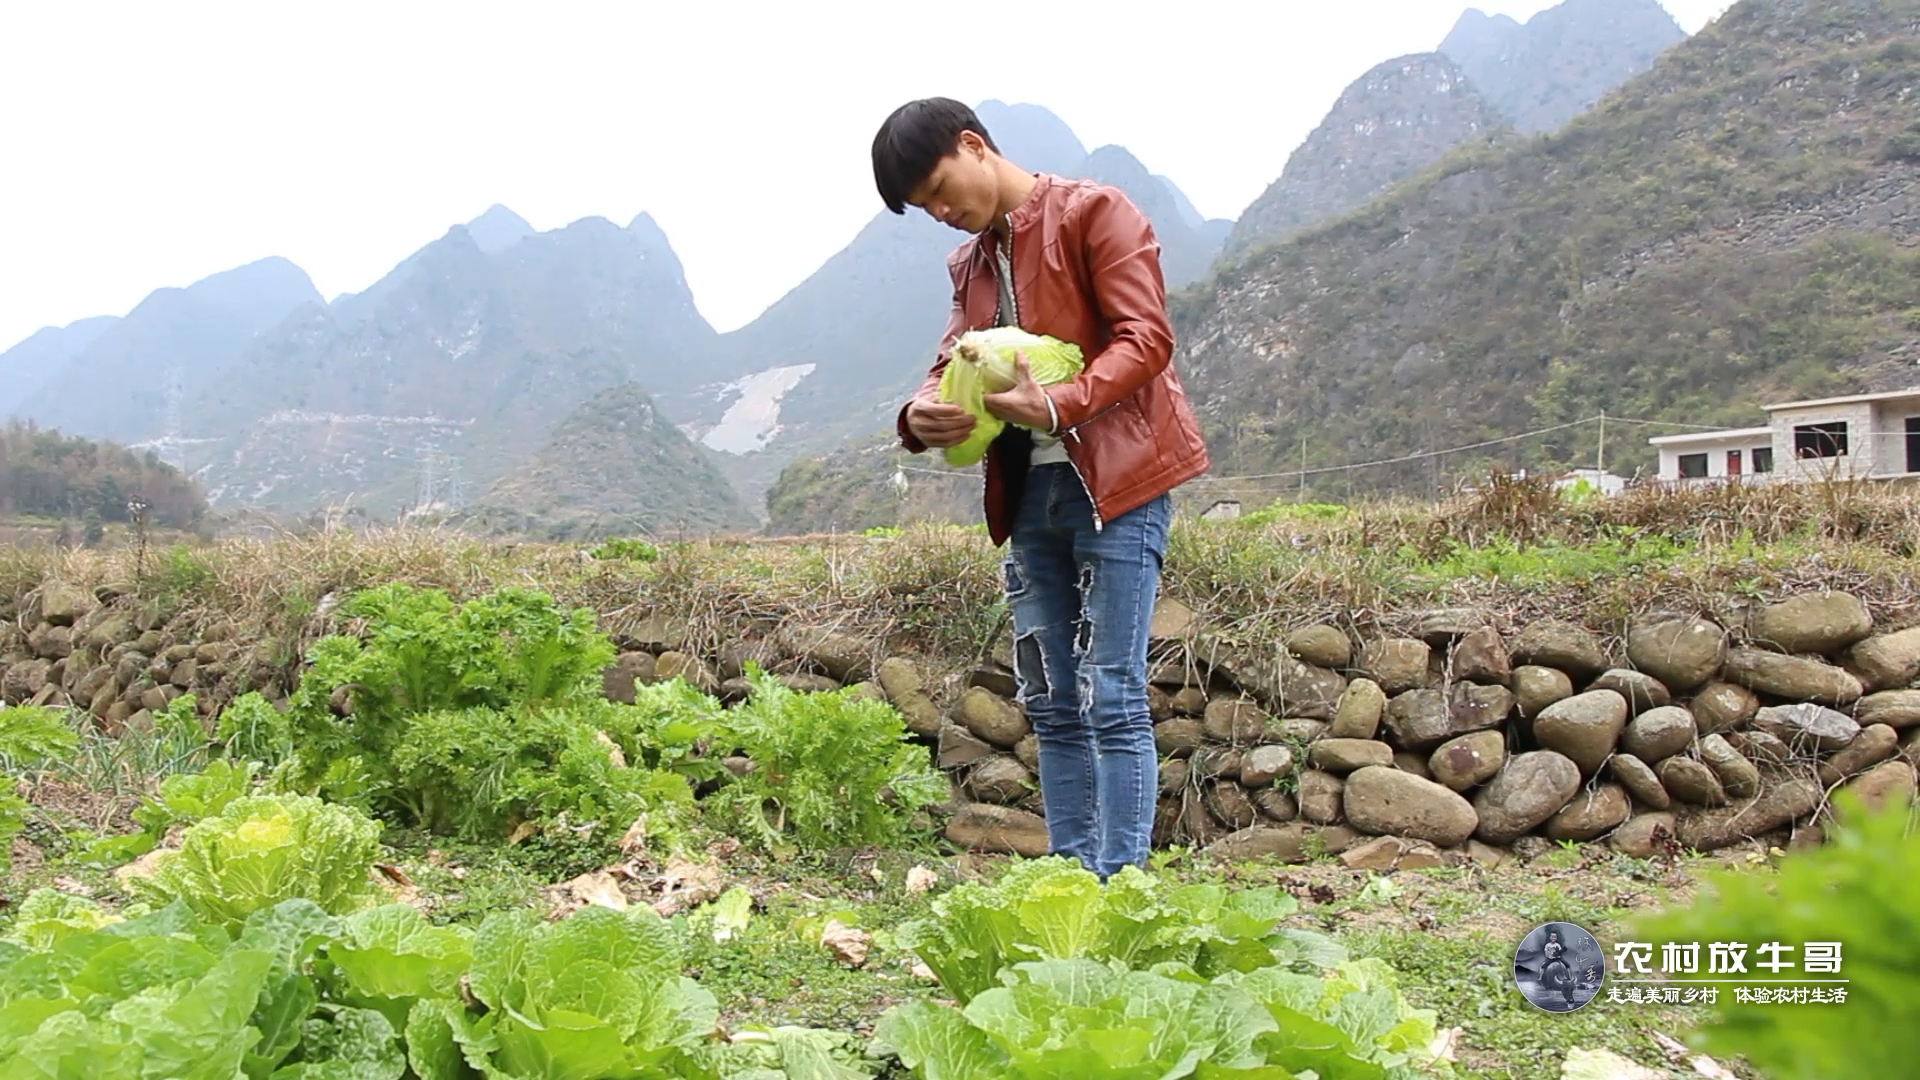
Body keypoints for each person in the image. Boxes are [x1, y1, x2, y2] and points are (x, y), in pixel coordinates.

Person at [870, 98, 1210, 879]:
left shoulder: (1096, 214)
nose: (943, 213)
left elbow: (1146, 339)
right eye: (925, 208)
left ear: (973, 145)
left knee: (1112, 690)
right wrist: (919, 417)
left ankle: (1119, 886)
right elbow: (952, 358)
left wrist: (1060, 402)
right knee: (1054, 697)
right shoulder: (971, 263)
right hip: (1030, 494)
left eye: (940, 190)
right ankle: (1068, 879)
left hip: (1119, 484)